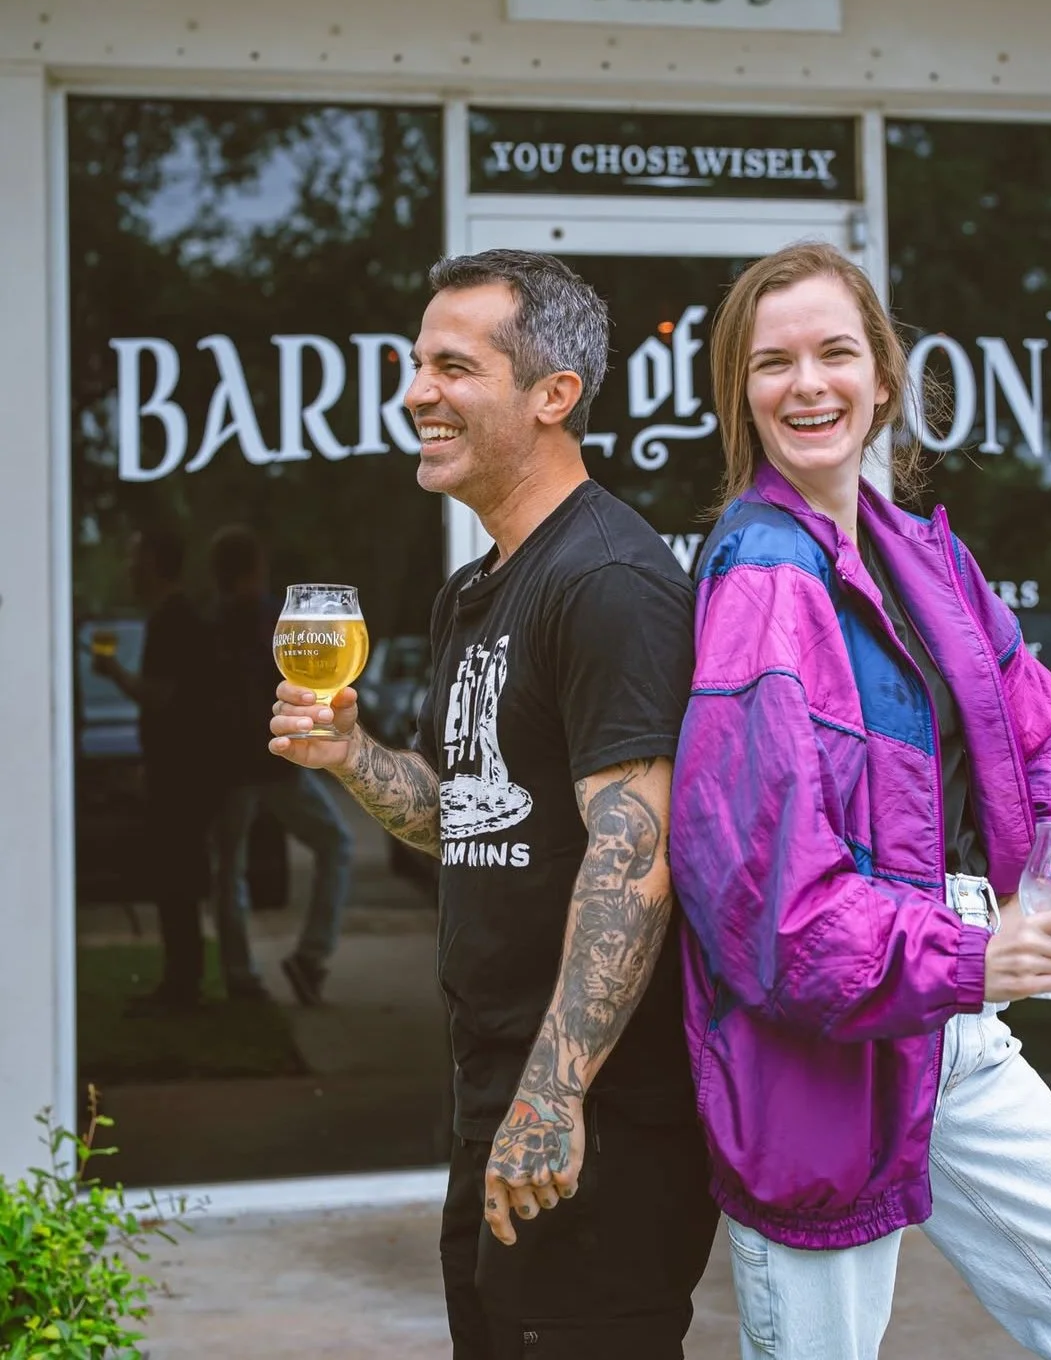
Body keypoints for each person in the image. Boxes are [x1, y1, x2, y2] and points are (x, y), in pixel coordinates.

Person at [668, 243, 1051, 1360]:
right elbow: (768, 903)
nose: (808, 384)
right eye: (773, 363)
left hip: (953, 1023)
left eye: (835, 352)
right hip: (812, 1063)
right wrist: (967, 954)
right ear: (741, 392)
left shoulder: (921, 551)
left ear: (883, 373)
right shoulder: (761, 575)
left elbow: (1038, 727)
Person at [268, 250, 718, 1357]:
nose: (418, 390)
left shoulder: (608, 582)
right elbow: (455, 812)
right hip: (496, 1087)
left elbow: (636, 855)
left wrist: (557, 1094)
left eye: (454, 366)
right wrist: (349, 753)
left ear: (552, 394)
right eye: (420, 363)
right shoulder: (479, 586)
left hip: (598, 1114)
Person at [206, 524, 354, 1005]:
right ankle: (311, 956)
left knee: (229, 870)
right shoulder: (278, 621)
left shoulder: (212, 626)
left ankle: (240, 976)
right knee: (335, 844)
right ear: (257, 567)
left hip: (229, 769)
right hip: (276, 762)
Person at [92, 527, 212, 1014]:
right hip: (176, 770)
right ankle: (181, 983)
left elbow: (162, 697)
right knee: (175, 877)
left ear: (157, 562)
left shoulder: (172, 621)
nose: (129, 567)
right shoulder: (172, 617)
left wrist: (114, 672)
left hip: (181, 776)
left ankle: (181, 988)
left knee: (176, 878)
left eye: (135, 556)